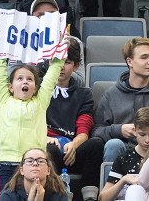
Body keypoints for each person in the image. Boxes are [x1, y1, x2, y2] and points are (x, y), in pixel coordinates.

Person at [94, 37, 149, 164]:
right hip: (124, 149)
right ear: (130, 62)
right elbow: (96, 130)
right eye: (144, 57)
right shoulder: (111, 95)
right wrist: (119, 130)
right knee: (114, 145)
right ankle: (112, 184)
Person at [0, 45, 66, 187]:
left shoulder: (40, 102)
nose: (25, 81)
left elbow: (52, 76)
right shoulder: (3, 99)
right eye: (19, 78)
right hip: (8, 164)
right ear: (10, 87)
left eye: (30, 79)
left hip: (34, 165)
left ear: (35, 88)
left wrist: (60, 49)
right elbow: (0, 73)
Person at [46, 37, 104, 196]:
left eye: (67, 62)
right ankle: (54, 196)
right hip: (49, 146)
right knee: (51, 149)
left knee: (96, 145)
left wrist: (74, 145)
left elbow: (84, 129)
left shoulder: (84, 94)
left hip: (73, 149)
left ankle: (89, 196)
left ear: (76, 66)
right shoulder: (40, 90)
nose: (61, 67)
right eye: (56, 60)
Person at [98, 107, 149, 201]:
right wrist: (123, 180)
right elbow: (102, 198)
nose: (147, 140)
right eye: (142, 134)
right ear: (135, 131)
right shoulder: (124, 159)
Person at [0, 149, 70, 201]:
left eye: (40, 161)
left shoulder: (59, 195)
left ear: (48, 170)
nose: (35, 164)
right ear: (21, 170)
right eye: (30, 161)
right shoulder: (9, 196)